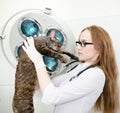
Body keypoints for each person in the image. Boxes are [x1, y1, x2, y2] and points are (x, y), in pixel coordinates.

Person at [22, 25, 119, 113]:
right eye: (78, 43)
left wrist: (38, 60)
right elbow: (48, 86)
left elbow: (50, 97)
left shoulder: (96, 75)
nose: (79, 47)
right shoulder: (80, 68)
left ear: (99, 48)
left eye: (84, 43)